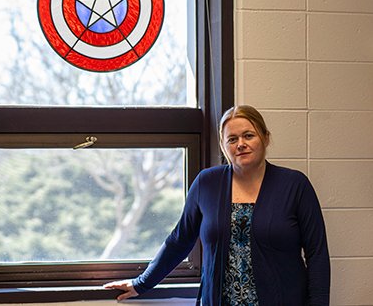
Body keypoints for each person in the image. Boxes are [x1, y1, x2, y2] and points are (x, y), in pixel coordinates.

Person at [104, 105, 330, 305]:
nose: (241, 144)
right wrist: (141, 283)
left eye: (248, 135)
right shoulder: (207, 183)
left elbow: (317, 253)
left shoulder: (294, 184)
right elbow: (179, 241)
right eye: (232, 139)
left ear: (265, 138)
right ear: (224, 147)